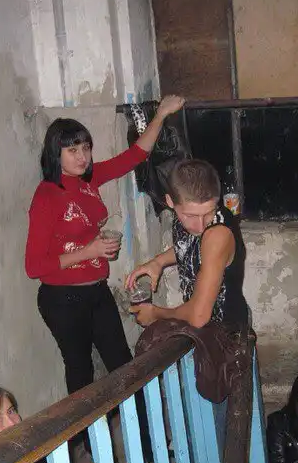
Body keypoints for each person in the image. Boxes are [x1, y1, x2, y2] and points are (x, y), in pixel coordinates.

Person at [25, 96, 185, 399]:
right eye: (73, 150)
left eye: (86, 148)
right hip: (62, 299)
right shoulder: (46, 196)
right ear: (55, 153)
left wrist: (161, 114)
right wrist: (90, 252)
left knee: (123, 365)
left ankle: (143, 430)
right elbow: (34, 267)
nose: (82, 156)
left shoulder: (89, 179)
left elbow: (135, 155)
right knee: (80, 371)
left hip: (97, 291)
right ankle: (84, 431)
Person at [125, 158, 249, 330]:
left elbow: (198, 317)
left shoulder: (217, 235)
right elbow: (190, 245)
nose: (200, 226)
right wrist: (158, 261)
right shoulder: (184, 216)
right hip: (198, 331)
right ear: (170, 202)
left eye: (209, 213)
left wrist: (155, 314)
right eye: (191, 216)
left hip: (225, 336)